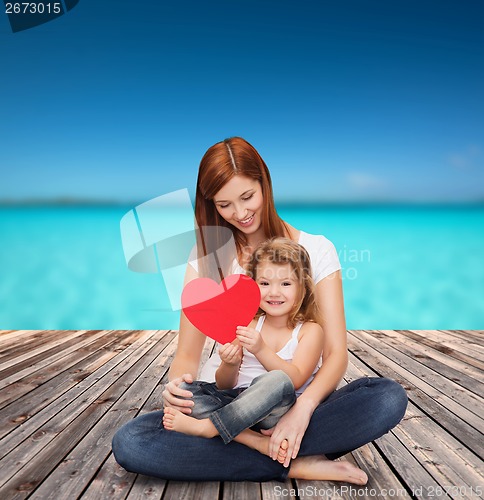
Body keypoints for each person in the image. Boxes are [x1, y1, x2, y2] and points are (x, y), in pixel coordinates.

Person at [112, 137, 408, 483]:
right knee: (130, 442)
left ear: (264, 183)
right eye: (224, 204)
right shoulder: (206, 257)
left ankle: (260, 445)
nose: (240, 213)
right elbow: (187, 357)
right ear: (211, 204)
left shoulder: (317, 249)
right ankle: (291, 461)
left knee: (387, 397)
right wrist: (178, 388)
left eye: (247, 196)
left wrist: (301, 411)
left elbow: (336, 356)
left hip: (292, 403)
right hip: (221, 399)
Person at [162, 237, 330, 468]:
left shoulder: (309, 331)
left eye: (285, 284)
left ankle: (208, 428)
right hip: (237, 405)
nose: (274, 292)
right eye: (264, 283)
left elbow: (295, 379)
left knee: (278, 380)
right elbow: (225, 386)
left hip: (275, 412)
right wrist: (229, 364)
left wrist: (261, 349)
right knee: (182, 391)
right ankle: (251, 440)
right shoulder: (248, 324)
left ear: (303, 287)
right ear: (253, 286)